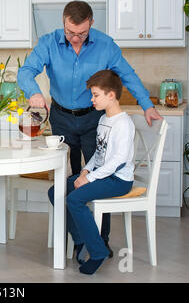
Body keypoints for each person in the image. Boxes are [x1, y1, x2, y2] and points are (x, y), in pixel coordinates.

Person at [17, 0, 162, 257]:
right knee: (67, 180)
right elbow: (26, 71)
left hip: (95, 119)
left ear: (91, 24)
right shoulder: (48, 42)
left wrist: (147, 105)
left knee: (99, 178)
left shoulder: (106, 45)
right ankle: (78, 238)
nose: (75, 39)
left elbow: (128, 76)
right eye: (70, 33)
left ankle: (101, 240)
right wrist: (34, 93)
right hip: (61, 118)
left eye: (82, 33)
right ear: (63, 22)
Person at [49, 70, 135, 275]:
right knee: (55, 192)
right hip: (102, 174)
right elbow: (100, 152)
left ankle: (98, 252)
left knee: (75, 199)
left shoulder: (123, 123)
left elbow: (118, 160)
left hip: (118, 179)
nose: (91, 99)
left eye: (95, 95)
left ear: (111, 95)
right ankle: (81, 241)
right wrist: (86, 170)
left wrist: (90, 178)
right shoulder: (105, 119)